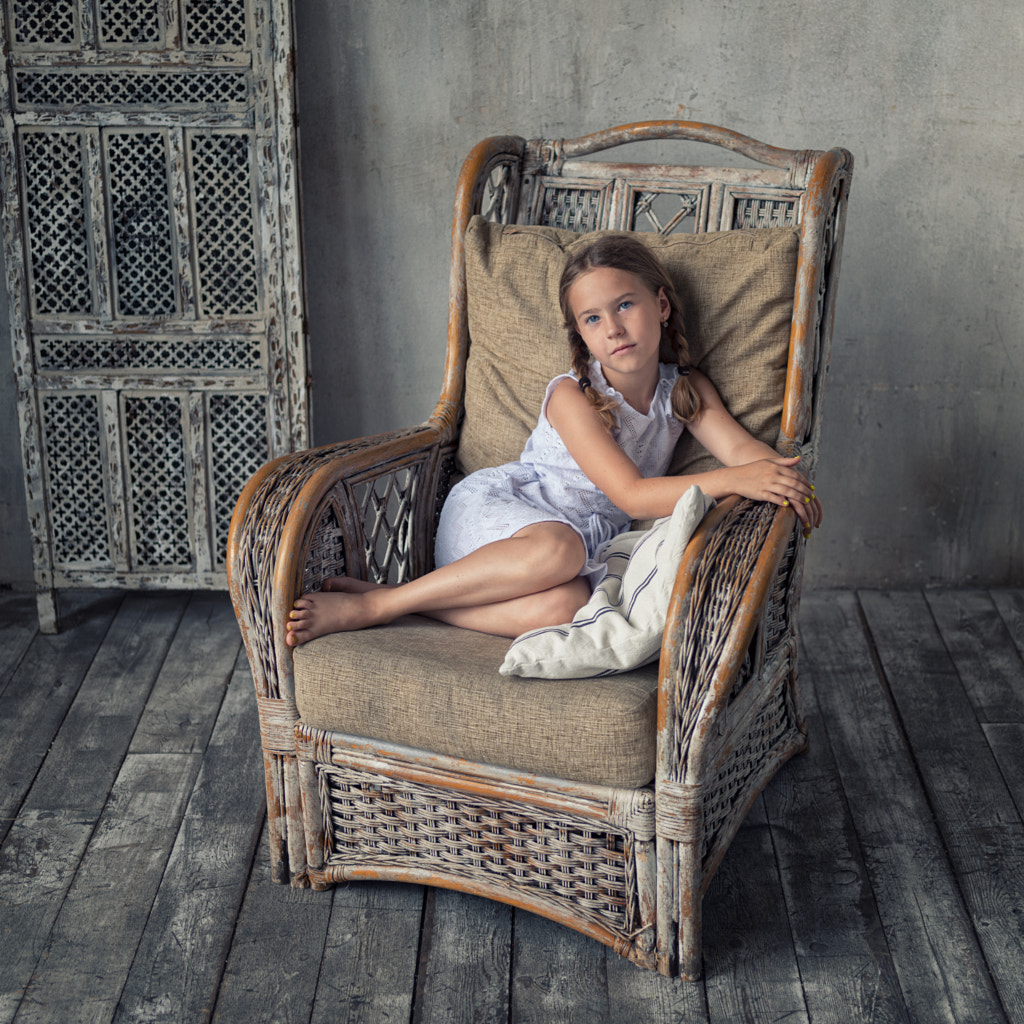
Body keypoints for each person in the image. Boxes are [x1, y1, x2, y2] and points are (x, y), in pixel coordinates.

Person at [285, 235, 822, 646]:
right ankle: (377, 609)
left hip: (566, 555)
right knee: (560, 550)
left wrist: (783, 477)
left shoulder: (684, 390)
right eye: (593, 318)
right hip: (502, 518)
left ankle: (401, 605)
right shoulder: (573, 395)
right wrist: (739, 480)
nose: (613, 327)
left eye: (625, 305)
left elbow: (742, 453)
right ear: (582, 336)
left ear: (661, 306)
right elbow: (632, 496)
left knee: (569, 606)